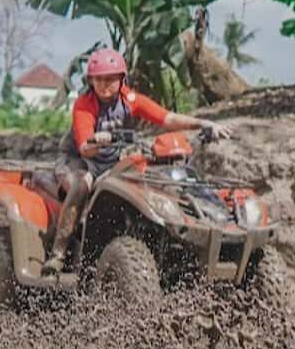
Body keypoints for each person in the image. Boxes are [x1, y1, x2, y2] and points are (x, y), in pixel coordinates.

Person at [43, 48, 233, 275]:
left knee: (145, 179)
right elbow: (85, 147)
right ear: (91, 81)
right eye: (99, 79)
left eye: (110, 79)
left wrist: (203, 124)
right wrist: (97, 141)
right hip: (78, 160)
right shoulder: (84, 104)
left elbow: (167, 118)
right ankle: (58, 254)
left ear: (122, 79)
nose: (104, 85)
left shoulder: (131, 100)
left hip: (112, 159)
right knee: (82, 184)